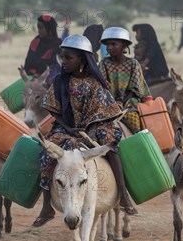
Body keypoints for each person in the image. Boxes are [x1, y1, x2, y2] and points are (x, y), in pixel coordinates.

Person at [32, 34, 139, 227]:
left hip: (94, 127)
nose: (63, 62)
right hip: (66, 129)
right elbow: (55, 113)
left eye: (68, 58)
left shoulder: (95, 83)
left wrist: (90, 130)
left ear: (82, 59)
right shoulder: (59, 82)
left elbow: (102, 110)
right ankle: (46, 205)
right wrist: (68, 128)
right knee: (46, 152)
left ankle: (123, 195)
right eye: (62, 57)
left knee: (111, 145)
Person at [99, 27, 152, 134]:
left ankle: (139, 144)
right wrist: (113, 104)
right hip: (108, 104)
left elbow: (135, 89)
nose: (109, 47)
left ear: (124, 45)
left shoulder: (133, 64)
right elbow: (102, 86)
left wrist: (122, 105)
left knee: (134, 123)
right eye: (108, 45)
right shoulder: (103, 63)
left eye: (113, 44)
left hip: (129, 104)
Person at [24, 14, 63, 86]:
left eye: (41, 28)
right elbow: (28, 62)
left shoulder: (59, 44)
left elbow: (60, 65)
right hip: (33, 79)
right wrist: (34, 73)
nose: (39, 30)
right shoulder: (36, 41)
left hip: (53, 82)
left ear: (50, 29)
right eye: (38, 27)